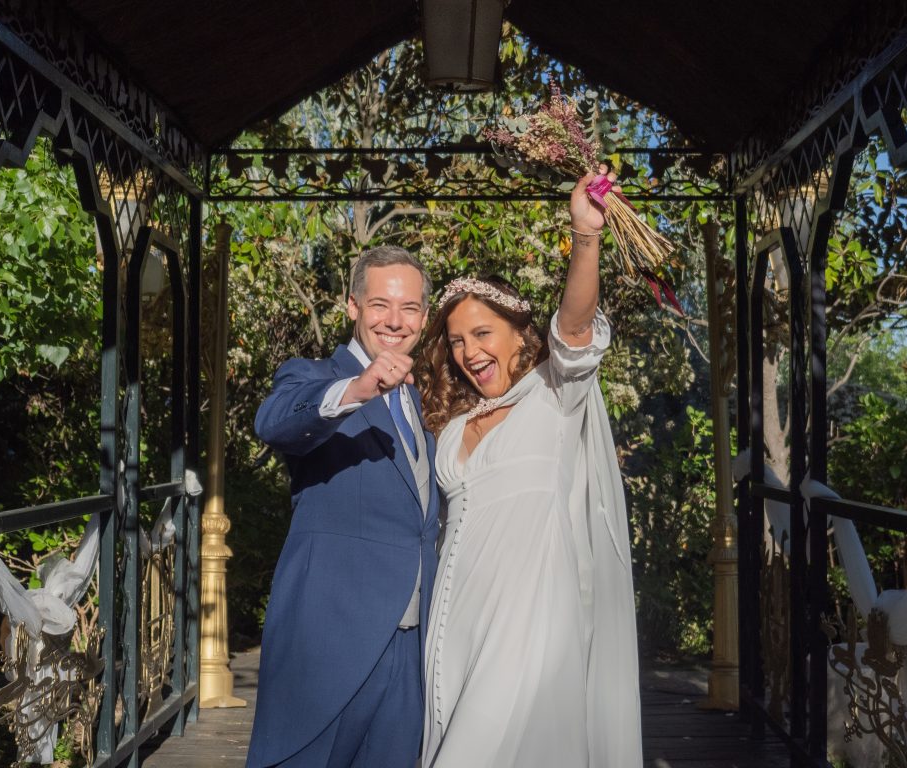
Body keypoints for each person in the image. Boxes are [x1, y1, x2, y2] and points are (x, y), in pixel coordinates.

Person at [416, 168, 642, 767]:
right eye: (457, 341)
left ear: (522, 334)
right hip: (457, 617)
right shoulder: (456, 424)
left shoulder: (553, 396)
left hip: (529, 618)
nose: (469, 353)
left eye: (483, 333)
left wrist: (584, 235)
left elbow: (573, 329)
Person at [247, 246, 440, 768]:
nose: (395, 322)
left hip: (412, 647)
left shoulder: (423, 398)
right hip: (329, 643)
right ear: (351, 306)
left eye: (410, 308)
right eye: (380, 305)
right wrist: (357, 388)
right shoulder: (313, 377)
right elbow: (274, 421)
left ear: (424, 314)